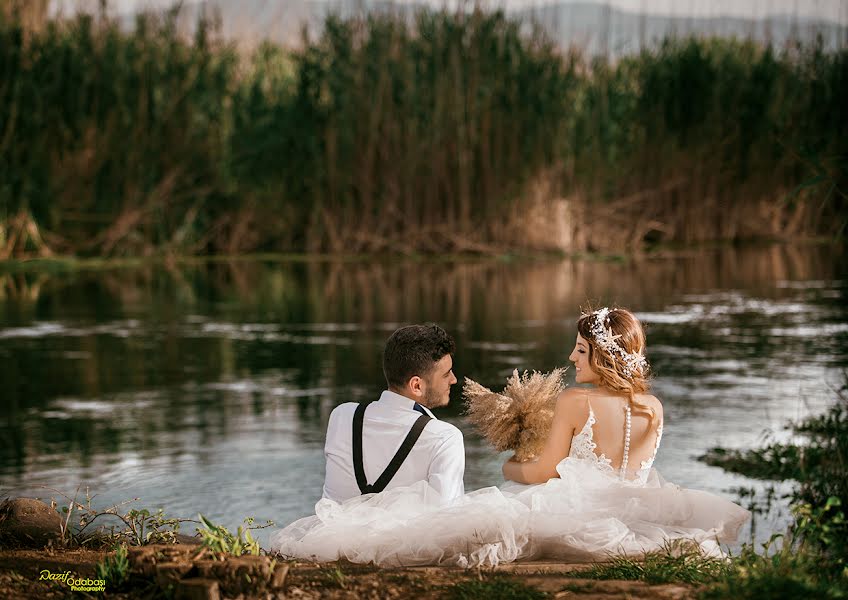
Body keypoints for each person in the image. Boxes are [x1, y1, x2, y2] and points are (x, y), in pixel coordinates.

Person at [270, 308, 750, 567]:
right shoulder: (655, 408)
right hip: (642, 505)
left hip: (582, 507)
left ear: (601, 358)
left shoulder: (340, 416)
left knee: (507, 504)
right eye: (449, 373)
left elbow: (543, 472)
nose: (571, 355)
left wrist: (512, 466)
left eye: (580, 349)